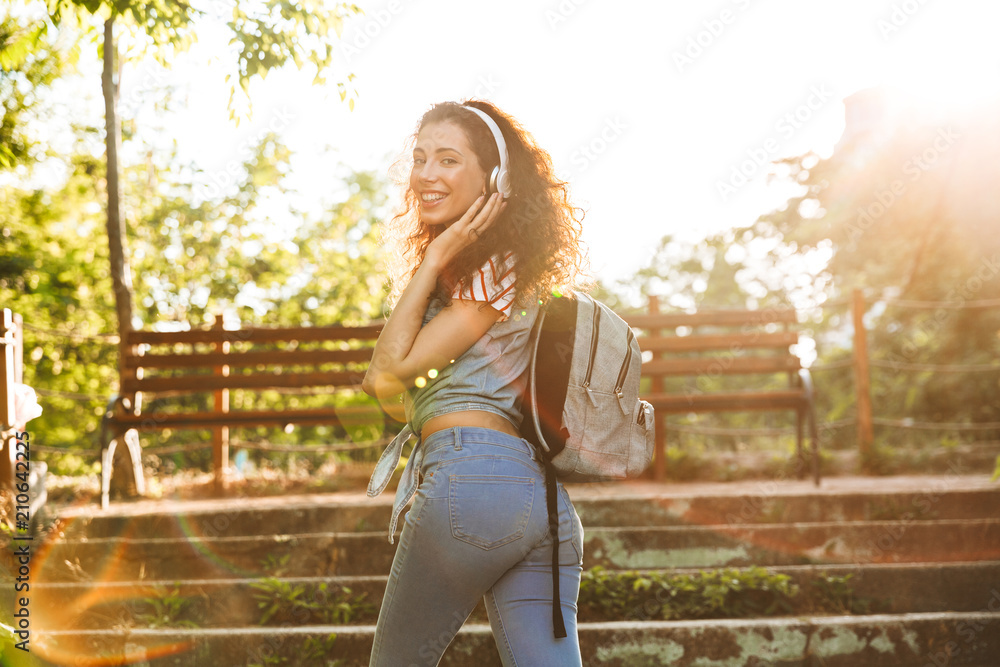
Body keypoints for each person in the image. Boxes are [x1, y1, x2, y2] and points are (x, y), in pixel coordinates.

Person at [362, 99, 588, 666]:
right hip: (536, 501)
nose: (427, 175)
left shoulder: (493, 268)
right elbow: (395, 399)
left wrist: (434, 257)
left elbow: (382, 376)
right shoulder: (487, 271)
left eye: (447, 159)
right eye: (419, 159)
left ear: (495, 178)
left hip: (474, 480)